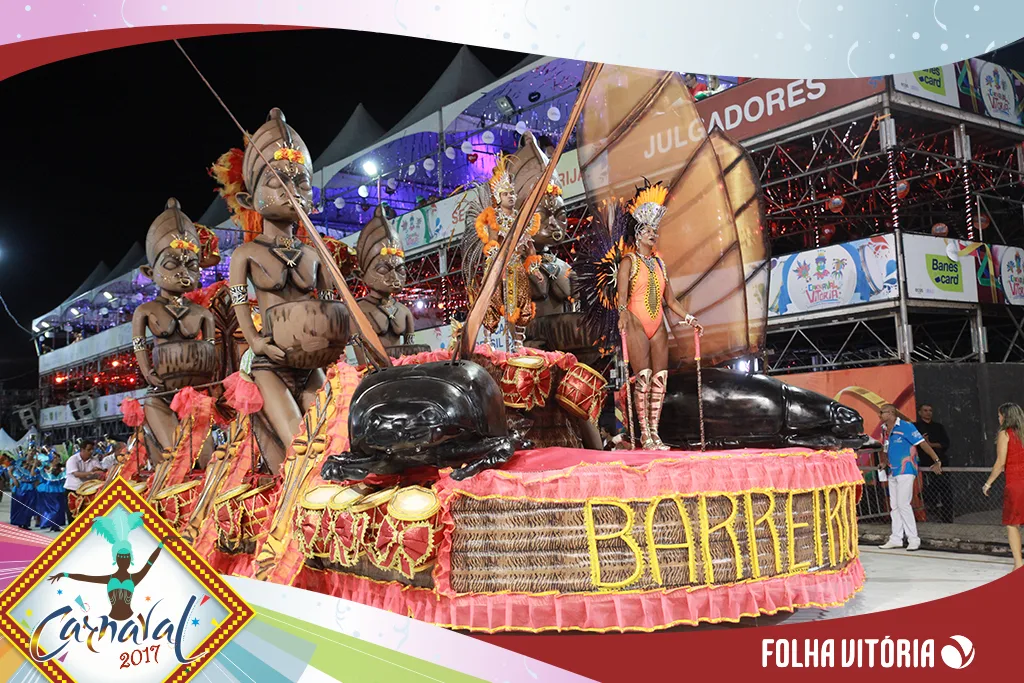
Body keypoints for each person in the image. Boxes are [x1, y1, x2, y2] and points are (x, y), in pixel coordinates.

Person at [615, 181, 702, 450]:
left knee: (660, 380)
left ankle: (655, 432)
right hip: (636, 322)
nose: (654, 234)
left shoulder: (660, 263)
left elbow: (671, 300)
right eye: (649, 230)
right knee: (643, 377)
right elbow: (621, 296)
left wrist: (689, 319)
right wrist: (621, 316)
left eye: (656, 230)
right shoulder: (629, 261)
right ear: (639, 234)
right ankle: (643, 434)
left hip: (658, 325)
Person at [49, 508, 165, 620]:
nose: (124, 560)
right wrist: (65, 574)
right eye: (121, 558)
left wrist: (161, 544)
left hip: (130, 617)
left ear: (131, 560)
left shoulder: (132, 578)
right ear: (116, 559)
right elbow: (85, 578)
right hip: (111, 618)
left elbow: (150, 562)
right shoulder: (125, 578)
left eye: (126, 558)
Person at [878, 404, 942, 551]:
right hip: (892, 471)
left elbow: (922, 444)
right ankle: (896, 538)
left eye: (882, 412)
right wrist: (883, 461)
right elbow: (884, 447)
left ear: (891, 413)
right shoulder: (884, 430)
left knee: (903, 504)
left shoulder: (906, 426)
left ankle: (913, 539)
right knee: (894, 506)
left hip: (906, 469)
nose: (879, 415)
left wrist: (936, 460)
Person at [982, 403, 1024, 570]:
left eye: (999, 415)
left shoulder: (1005, 433)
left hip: (1016, 483)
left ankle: (1018, 563)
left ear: (1005, 416)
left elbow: (1000, 463)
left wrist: (988, 483)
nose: (998, 419)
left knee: (1013, 524)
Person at [915, 403, 954, 522]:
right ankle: (930, 505)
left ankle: (947, 518)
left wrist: (929, 444)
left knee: (945, 489)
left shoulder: (938, 427)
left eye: (930, 410)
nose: (928, 413)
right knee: (932, 488)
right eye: (925, 410)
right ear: (920, 412)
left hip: (941, 461)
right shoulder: (915, 427)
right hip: (925, 463)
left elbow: (945, 444)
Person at [63, 440, 105, 518]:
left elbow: (100, 471)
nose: (91, 452)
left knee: (86, 515)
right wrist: (90, 473)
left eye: (92, 449)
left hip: (87, 491)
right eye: (89, 450)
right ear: (82, 450)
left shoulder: (94, 459)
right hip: (73, 490)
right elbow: (76, 474)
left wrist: (100, 471)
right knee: (73, 515)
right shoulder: (73, 459)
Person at [9, 456, 38, 529]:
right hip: (20, 487)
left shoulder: (34, 463)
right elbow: (10, 471)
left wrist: (33, 465)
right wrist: (14, 479)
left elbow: (32, 475)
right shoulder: (19, 461)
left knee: (28, 506)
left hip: (30, 487)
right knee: (19, 505)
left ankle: (26, 523)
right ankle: (19, 522)